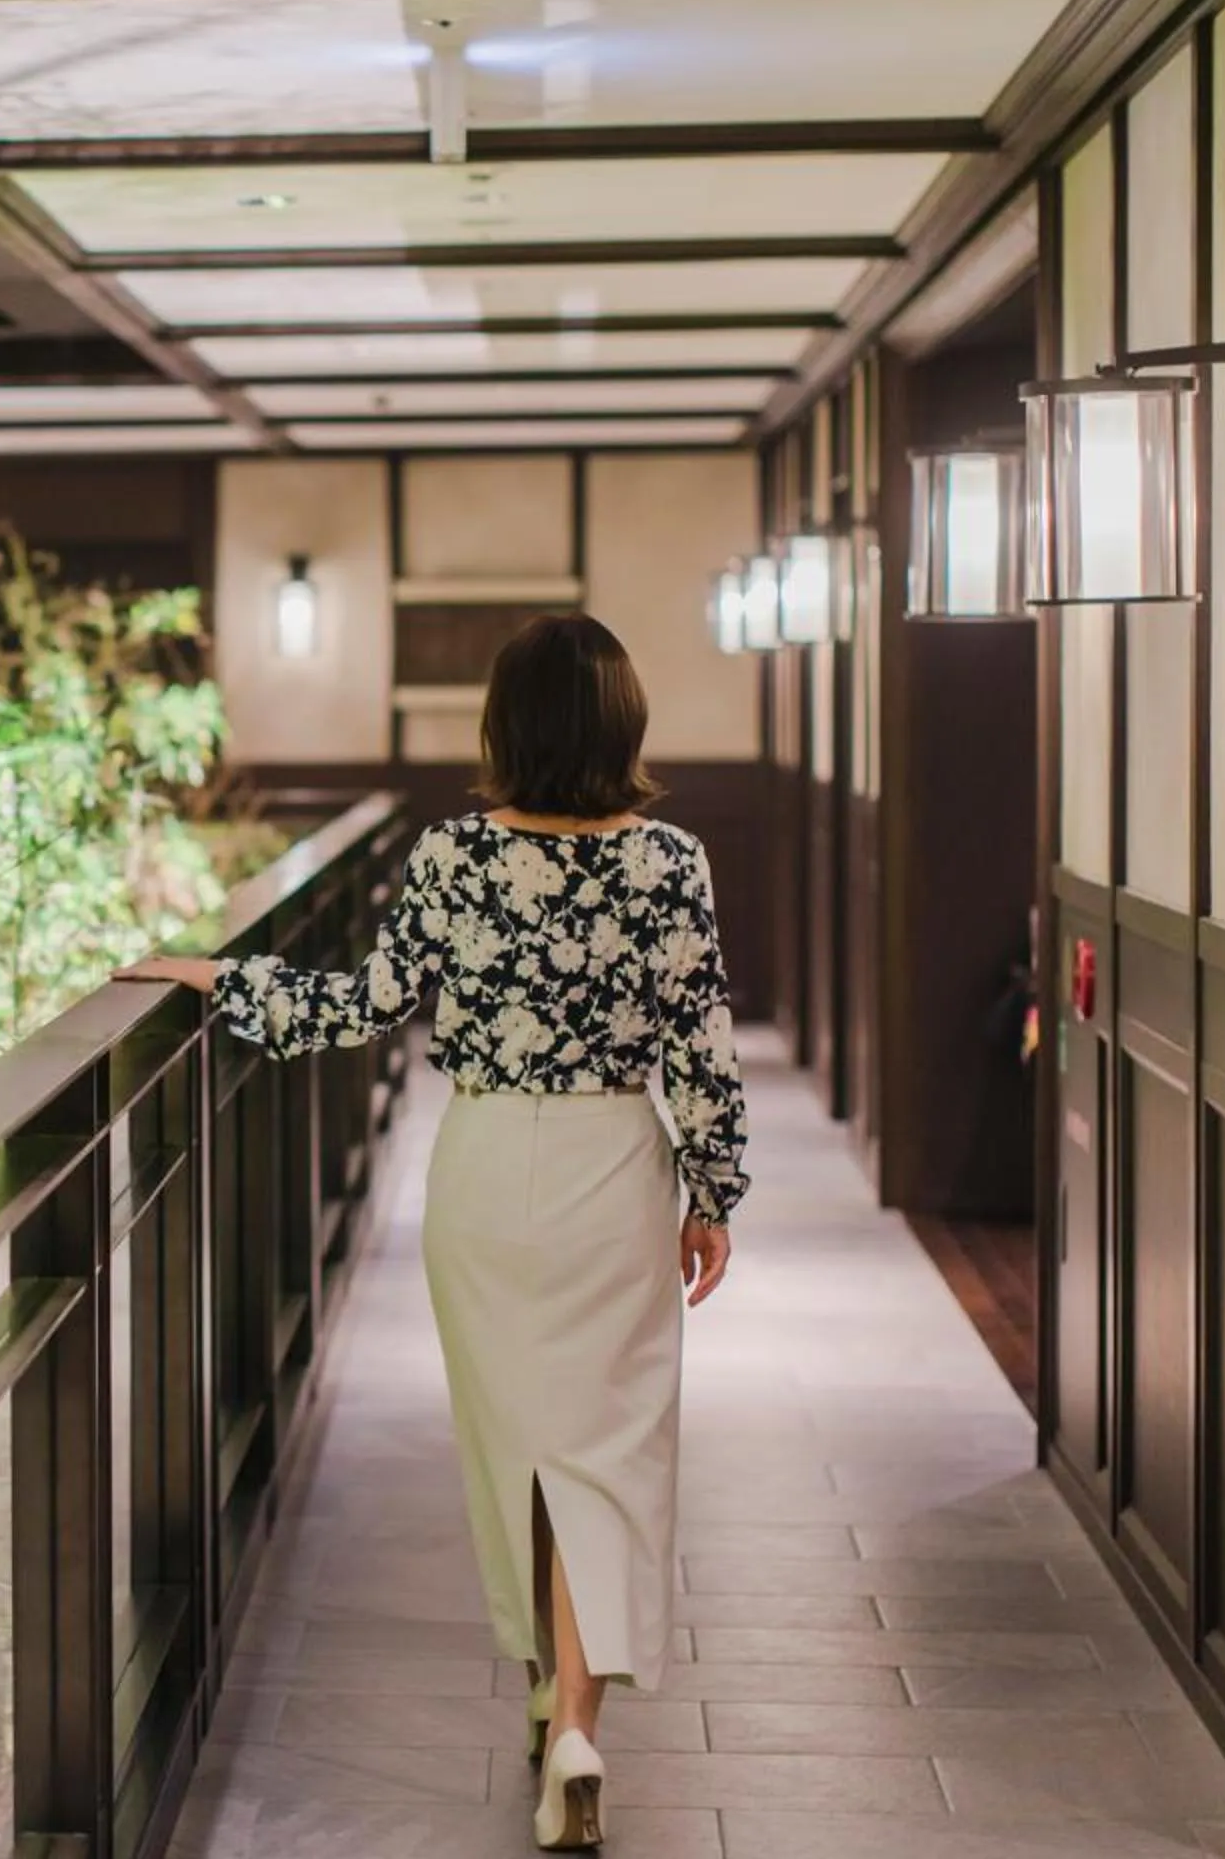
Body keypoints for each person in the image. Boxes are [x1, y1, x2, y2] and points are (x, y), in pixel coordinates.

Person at [117, 612, 748, 1852]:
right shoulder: (671, 860)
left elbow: (367, 1003)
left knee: (517, 1444)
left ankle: (543, 1683)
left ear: (504, 725)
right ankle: (576, 1723)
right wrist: (713, 1193)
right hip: (615, 1164)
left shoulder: (456, 853)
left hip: (484, 1167)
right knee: (607, 1449)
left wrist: (218, 977)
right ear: (624, 721)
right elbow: (703, 1044)